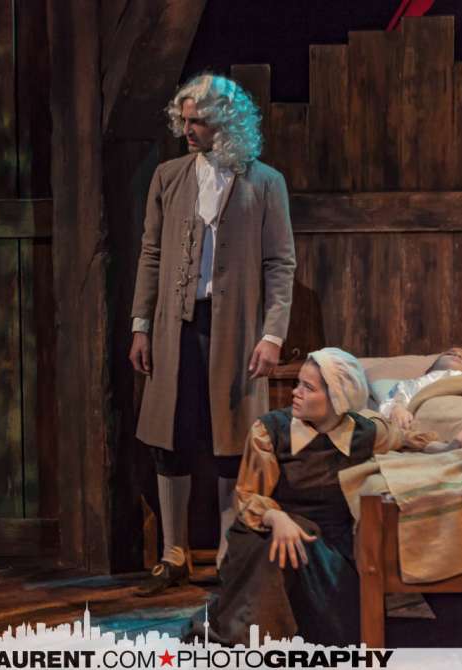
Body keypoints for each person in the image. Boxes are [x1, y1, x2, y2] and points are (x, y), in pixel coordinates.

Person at [189, 347, 462, 645]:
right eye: (298, 383)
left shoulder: (363, 432)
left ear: (337, 398)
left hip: (329, 544)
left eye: (308, 387)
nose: (295, 393)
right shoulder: (270, 431)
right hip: (266, 528)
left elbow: (403, 439)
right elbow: (248, 495)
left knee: (338, 625)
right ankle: (250, 646)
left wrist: (448, 446)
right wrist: (276, 517)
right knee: (273, 552)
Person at [129, 73, 296, 595]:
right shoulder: (169, 177)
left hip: (236, 331)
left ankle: (228, 555)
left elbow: (280, 263)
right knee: (169, 438)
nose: (187, 130)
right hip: (173, 328)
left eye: (197, 120)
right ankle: (173, 554)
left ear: (226, 122)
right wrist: (140, 324)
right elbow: (151, 254)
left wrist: (272, 335)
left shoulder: (264, 182)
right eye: (184, 120)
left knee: (231, 442)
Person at [379, 347, 462, 429]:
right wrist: (397, 409)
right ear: (430, 369)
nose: (457, 356)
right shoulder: (412, 384)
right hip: (424, 422)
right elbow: (395, 400)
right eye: (450, 354)